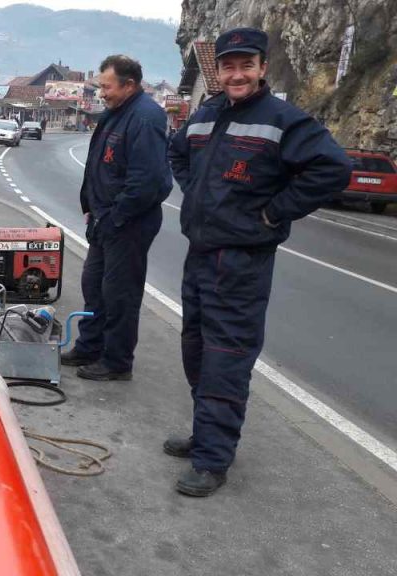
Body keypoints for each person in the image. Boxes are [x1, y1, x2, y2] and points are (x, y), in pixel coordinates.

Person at [166, 27, 350, 496]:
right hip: (201, 254)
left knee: (226, 359)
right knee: (197, 351)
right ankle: (205, 434)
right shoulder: (206, 114)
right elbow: (177, 152)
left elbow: (332, 168)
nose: (237, 74)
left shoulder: (283, 120)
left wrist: (272, 212)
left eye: (246, 65)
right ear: (219, 70)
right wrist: (196, 196)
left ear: (262, 68)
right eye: (229, 66)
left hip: (241, 262)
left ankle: (213, 459)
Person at [60, 55, 172, 381]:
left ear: (129, 85)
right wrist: (89, 204)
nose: (102, 94)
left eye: (107, 87)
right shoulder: (116, 113)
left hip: (128, 223)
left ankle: (117, 361)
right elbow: (101, 164)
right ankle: (90, 345)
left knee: (120, 293)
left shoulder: (145, 118)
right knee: (93, 285)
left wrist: (116, 217)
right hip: (104, 219)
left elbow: (147, 181)